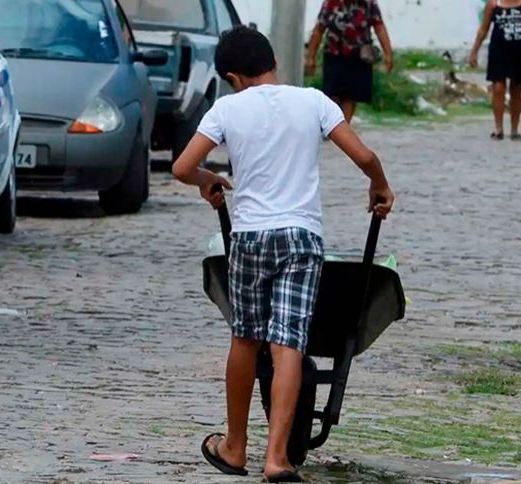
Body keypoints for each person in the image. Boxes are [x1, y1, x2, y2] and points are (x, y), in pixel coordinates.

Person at [172, 26, 395, 483]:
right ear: (272, 63)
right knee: (288, 342)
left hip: (251, 236)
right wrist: (380, 186)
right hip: (301, 237)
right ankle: (277, 460)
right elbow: (365, 156)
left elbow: (181, 166)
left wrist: (207, 181)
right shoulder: (313, 101)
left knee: (245, 339)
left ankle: (235, 448)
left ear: (233, 76)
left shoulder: (227, 108)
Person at [469, 0, 521, 141]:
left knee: (516, 89)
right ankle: (498, 129)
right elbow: (483, 29)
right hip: (499, 50)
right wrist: (474, 51)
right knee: (498, 88)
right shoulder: (493, 4)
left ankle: (514, 129)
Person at [306, 0, 393, 123]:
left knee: (351, 97)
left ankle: (343, 127)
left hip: (360, 57)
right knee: (332, 94)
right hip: (334, 55)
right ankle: (329, 125)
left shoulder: (368, 4)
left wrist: (388, 54)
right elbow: (319, 30)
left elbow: (379, 27)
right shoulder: (331, 3)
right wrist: (311, 57)